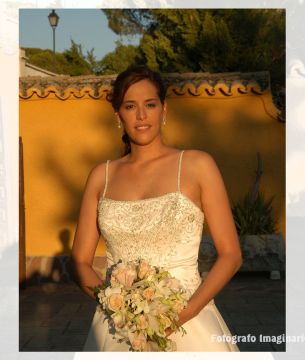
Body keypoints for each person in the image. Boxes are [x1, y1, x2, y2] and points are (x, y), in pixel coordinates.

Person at [72, 65, 242, 351]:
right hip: (116, 328)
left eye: (150, 105)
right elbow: (78, 262)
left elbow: (231, 255)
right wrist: (119, 307)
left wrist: (182, 315)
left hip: (190, 323)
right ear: (118, 115)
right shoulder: (101, 176)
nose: (141, 116)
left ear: (164, 109)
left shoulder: (198, 165)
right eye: (130, 106)